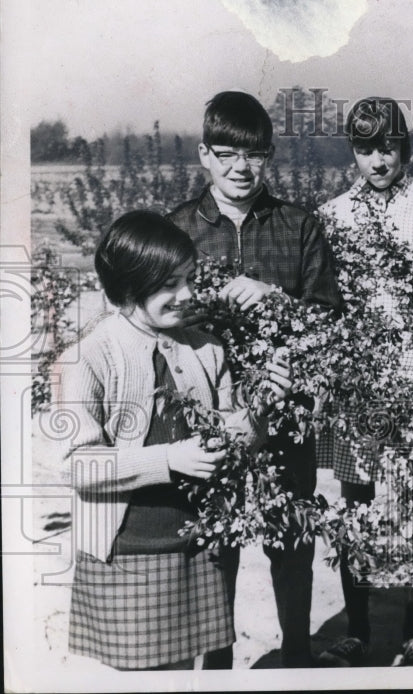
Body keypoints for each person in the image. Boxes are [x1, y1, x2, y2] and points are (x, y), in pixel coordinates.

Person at [57, 211, 292, 670]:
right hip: (129, 552)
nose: (187, 295)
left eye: (190, 279)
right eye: (170, 284)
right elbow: (76, 465)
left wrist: (262, 407)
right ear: (130, 286)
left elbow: (232, 444)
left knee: (184, 673)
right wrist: (168, 459)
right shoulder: (87, 358)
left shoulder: (207, 348)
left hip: (197, 547)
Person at [168, 91, 343, 668]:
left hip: (285, 415)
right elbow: (156, 324)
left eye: (255, 154)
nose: (240, 167)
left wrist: (275, 298)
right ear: (204, 155)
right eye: (226, 153)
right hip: (207, 419)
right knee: (214, 545)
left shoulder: (299, 225)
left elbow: (329, 318)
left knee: (290, 540)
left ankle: (297, 660)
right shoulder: (176, 231)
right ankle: (218, 668)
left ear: (269, 156)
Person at [317, 97, 413, 666]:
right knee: (357, 500)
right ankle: (359, 631)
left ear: (405, 148)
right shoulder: (332, 215)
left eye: (387, 147)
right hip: (358, 379)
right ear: (353, 152)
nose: (377, 160)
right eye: (365, 149)